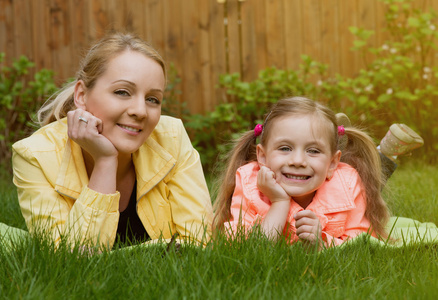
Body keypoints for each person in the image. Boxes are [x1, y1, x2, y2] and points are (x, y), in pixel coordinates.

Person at [11, 32, 213, 250]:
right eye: (122, 92)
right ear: (81, 95)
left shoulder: (171, 137)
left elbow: (198, 242)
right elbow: (72, 264)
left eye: (152, 99)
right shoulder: (35, 156)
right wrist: (105, 162)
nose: (140, 111)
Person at [212, 96, 422, 249]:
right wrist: (279, 202)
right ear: (263, 157)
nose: (297, 161)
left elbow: (361, 244)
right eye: (285, 148)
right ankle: (334, 140)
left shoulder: (348, 182)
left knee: (372, 174)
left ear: (332, 163)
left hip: (335, 184)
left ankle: (386, 151)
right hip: (319, 173)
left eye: (312, 150)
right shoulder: (249, 183)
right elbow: (251, 251)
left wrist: (321, 242)